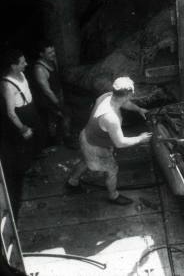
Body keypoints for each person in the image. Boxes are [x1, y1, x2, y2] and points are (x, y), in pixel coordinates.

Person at [66, 77, 152, 205]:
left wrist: (139, 109)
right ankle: (113, 196)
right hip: (94, 148)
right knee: (112, 169)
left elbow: (125, 103)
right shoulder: (111, 118)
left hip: (86, 136)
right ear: (128, 94)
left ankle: (72, 182)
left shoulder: (107, 96)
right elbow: (120, 143)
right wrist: (140, 138)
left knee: (85, 161)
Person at [0, 49, 43, 214]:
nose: (26, 64)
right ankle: (25, 171)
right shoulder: (7, 84)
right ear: (13, 65)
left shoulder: (22, 75)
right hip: (21, 116)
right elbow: (11, 112)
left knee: (37, 138)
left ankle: (33, 162)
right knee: (24, 145)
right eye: (22, 62)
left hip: (30, 110)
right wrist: (22, 128)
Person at [32, 41, 71, 147]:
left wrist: (61, 95)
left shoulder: (53, 59)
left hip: (57, 94)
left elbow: (57, 79)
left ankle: (65, 138)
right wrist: (58, 104)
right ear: (41, 54)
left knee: (64, 116)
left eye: (53, 51)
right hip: (47, 99)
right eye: (49, 53)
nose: (53, 54)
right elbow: (47, 91)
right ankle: (54, 141)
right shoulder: (40, 69)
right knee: (53, 119)